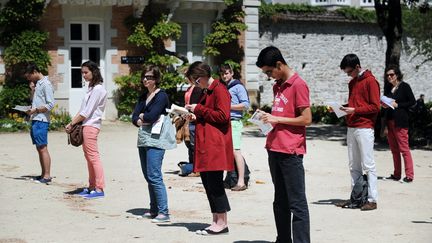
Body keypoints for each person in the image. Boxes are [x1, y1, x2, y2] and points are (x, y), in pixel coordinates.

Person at [255, 46, 312, 243]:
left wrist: (277, 119)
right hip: (274, 148)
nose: (269, 76)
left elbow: (306, 119)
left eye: (270, 71)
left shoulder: (298, 85)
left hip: (291, 151)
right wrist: (267, 119)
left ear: (279, 64)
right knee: (280, 202)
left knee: (297, 203)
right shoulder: (277, 85)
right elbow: (280, 115)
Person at [185, 61, 234, 235]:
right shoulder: (207, 91)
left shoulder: (220, 90)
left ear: (203, 77)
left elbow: (223, 116)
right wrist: (195, 115)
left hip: (216, 145)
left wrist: (199, 109)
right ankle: (216, 220)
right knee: (208, 183)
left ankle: (222, 222)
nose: (195, 85)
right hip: (206, 143)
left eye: (196, 81)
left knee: (215, 184)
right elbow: (209, 115)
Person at [338, 54, 380, 211]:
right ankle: (356, 198)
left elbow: (375, 107)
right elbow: (353, 104)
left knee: (368, 164)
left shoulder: (371, 81)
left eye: (349, 72)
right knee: (353, 165)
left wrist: (354, 110)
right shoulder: (352, 83)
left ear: (357, 67)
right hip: (352, 126)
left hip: (365, 127)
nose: (348, 75)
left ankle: (372, 199)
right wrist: (342, 108)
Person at [132, 65, 172, 223]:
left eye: (148, 77)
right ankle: (154, 209)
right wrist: (141, 118)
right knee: (148, 175)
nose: (145, 79)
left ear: (156, 79)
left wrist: (143, 117)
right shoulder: (143, 96)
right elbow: (134, 117)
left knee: (155, 175)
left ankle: (164, 212)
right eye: (144, 76)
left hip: (156, 139)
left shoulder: (161, 96)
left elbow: (152, 115)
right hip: (143, 138)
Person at [65, 61, 107, 199]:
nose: (83, 75)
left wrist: (71, 123)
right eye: (82, 72)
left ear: (93, 72)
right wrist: (73, 122)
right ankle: (91, 187)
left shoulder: (98, 89)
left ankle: (99, 188)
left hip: (91, 125)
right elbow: (83, 110)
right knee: (89, 158)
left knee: (93, 158)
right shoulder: (91, 88)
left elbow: (87, 112)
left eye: (85, 72)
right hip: (86, 125)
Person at [219, 64, 250, 191]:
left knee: (236, 151)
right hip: (225, 122)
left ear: (231, 73)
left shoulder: (238, 87)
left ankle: (241, 181)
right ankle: (230, 178)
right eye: (222, 74)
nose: (224, 76)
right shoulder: (223, 87)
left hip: (235, 122)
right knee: (228, 152)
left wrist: (228, 107)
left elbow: (246, 105)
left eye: (226, 73)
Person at [382, 65, 416, 182]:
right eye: (387, 75)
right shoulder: (388, 88)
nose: (389, 77)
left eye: (391, 74)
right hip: (390, 121)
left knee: (404, 149)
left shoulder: (405, 86)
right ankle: (397, 174)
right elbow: (387, 104)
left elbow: (412, 102)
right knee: (394, 150)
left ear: (397, 75)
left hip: (401, 121)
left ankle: (409, 176)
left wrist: (399, 105)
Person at [24, 62, 55, 184]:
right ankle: (43, 174)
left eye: (29, 76)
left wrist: (35, 110)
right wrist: (32, 90)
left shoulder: (46, 84)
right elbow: (35, 101)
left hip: (41, 120)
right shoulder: (38, 85)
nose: (28, 79)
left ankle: (47, 176)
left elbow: (50, 104)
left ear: (34, 72)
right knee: (39, 148)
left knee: (43, 148)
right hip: (36, 119)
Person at [177, 76, 202, 177]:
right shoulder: (189, 88)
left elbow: (195, 104)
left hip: (193, 119)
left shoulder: (197, 88)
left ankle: (197, 169)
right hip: (187, 118)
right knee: (189, 144)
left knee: (194, 145)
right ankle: (192, 166)